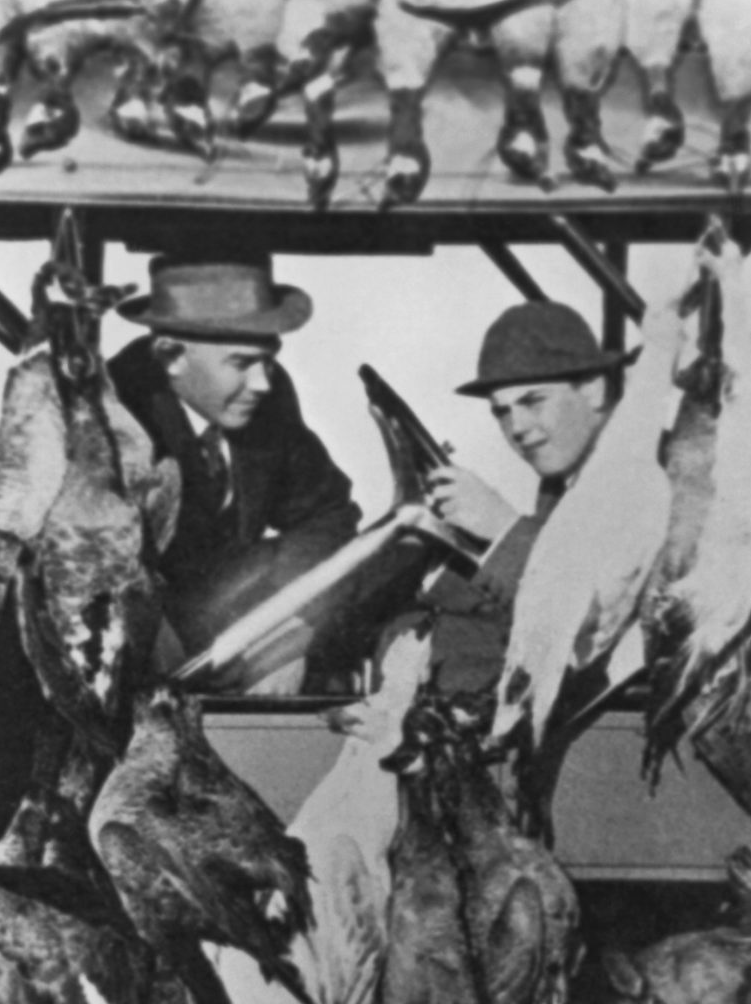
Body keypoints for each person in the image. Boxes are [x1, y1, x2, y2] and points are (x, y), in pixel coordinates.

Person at [105, 255, 360, 663]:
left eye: (269, 360)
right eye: (241, 363)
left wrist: (289, 626)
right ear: (172, 357)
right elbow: (96, 569)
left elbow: (326, 514)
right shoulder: (107, 414)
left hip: (237, 616)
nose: (261, 383)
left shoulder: (267, 397)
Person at [406, 300, 641, 690]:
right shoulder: (565, 477)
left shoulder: (646, 474)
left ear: (595, 392)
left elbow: (592, 616)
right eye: (501, 411)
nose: (516, 427)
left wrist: (502, 528)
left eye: (534, 401)